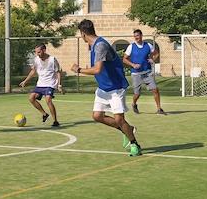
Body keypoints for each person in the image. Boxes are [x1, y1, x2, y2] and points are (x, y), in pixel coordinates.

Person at [71, 19, 142, 156]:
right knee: (97, 116)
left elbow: (97, 69)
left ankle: (135, 144)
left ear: (83, 33)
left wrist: (78, 70)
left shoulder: (100, 46)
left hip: (116, 88)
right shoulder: (94, 46)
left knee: (119, 119)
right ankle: (127, 129)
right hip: (103, 88)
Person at [19, 43, 63, 127]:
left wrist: (59, 85)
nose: (37, 54)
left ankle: (55, 121)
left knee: (48, 100)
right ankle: (44, 114)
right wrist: (25, 81)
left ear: (44, 50)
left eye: (39, 52)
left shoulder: (52, 59)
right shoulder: (36, 60)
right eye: (36, 52)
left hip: (50, 84)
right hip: (40, 84)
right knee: (31, 98)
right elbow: (33, 71)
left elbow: (58, 72)